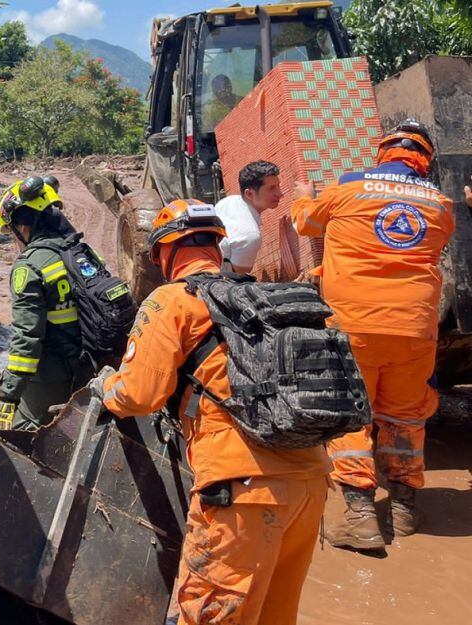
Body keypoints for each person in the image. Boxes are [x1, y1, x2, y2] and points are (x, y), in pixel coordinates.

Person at [98, 199, 329, 625]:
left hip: (240, 489)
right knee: (273, 615)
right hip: (310, 481)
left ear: (164, 253)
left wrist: (106, 388)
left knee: (212, 613)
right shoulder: (261, 297)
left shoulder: (171, 301)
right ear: (217, 245)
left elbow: (140, 395)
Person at [291, 118, 455, 549]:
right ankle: (404, 511)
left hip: (354, 325)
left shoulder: (348, 187)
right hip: (415, 328)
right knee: (405, 417)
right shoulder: (441, 205)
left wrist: (303, 196)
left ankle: (360, 517)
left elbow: (305, 223)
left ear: (383, 153)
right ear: (425, 160)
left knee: (351, 415)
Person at [0, 177, 86, 431]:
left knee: (15, 431)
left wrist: (7, 397)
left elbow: (27, 339)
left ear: (22, 226)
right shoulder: (82, 252)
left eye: (11, 231)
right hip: (92, 368)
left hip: (57, 374)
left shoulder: (29, 266)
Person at [213, 160, 282, 273]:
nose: (280, 194)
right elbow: (238, 279)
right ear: (249, 194)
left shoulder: (228, 202)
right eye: (271, 188)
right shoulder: (250, 235)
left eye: (278, 186)